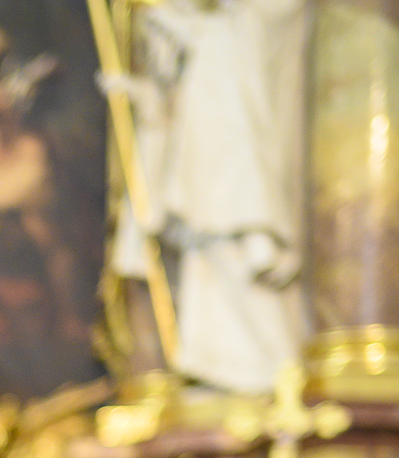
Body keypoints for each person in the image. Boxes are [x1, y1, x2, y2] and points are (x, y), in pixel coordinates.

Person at [110, 0, 305, 394]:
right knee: (208, 263)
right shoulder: (210, 36)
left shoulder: (233, 33)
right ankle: (221, 364)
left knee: (237, 249)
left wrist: (174, 26)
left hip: (232, 163)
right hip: (205, 162)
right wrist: (149, 99)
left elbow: (252, 28)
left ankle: (272, 363)